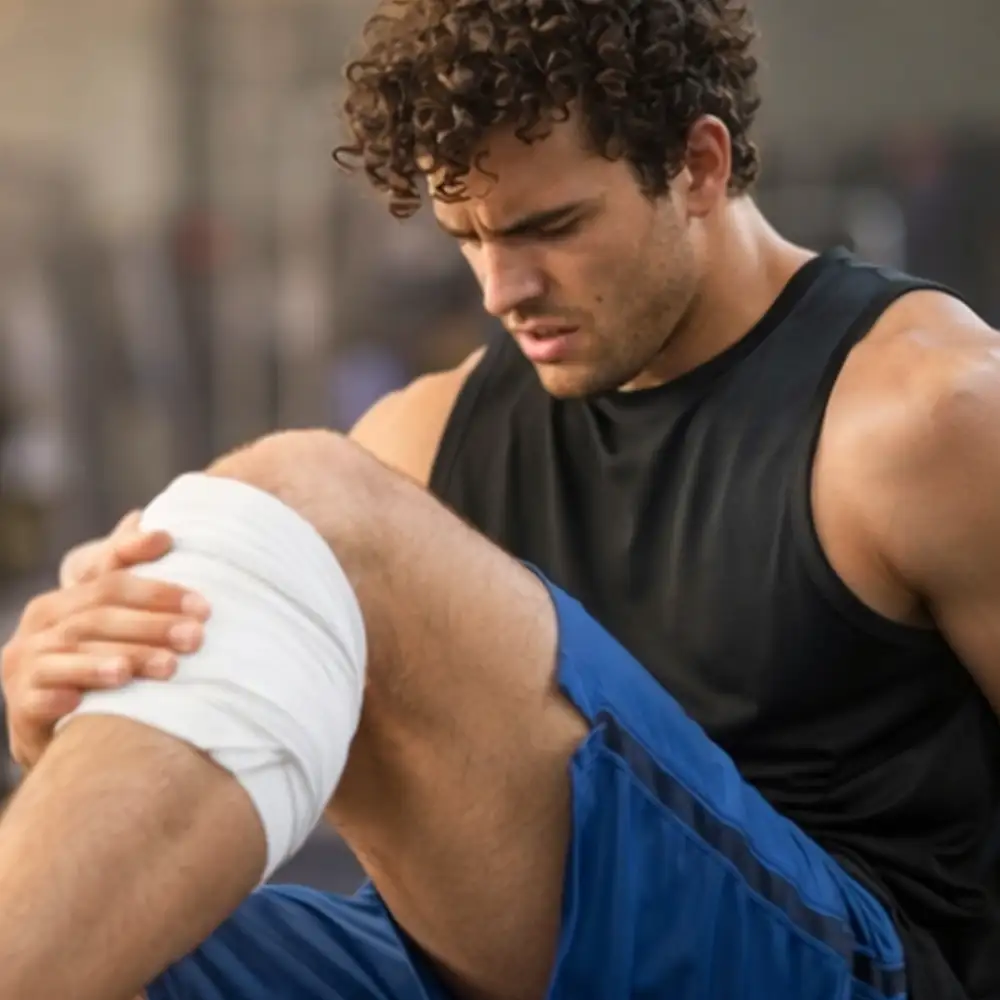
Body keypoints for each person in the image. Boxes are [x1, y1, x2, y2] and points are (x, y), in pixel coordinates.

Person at [1, 0, 999, 998]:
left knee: (310, 501)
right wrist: (101, 685)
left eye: (550, 227)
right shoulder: (423, 438)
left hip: (833, 963)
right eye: (467, 238)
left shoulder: (927, 413)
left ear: (698, 166)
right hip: (473, 957)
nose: (499, 288)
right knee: (123, 929)